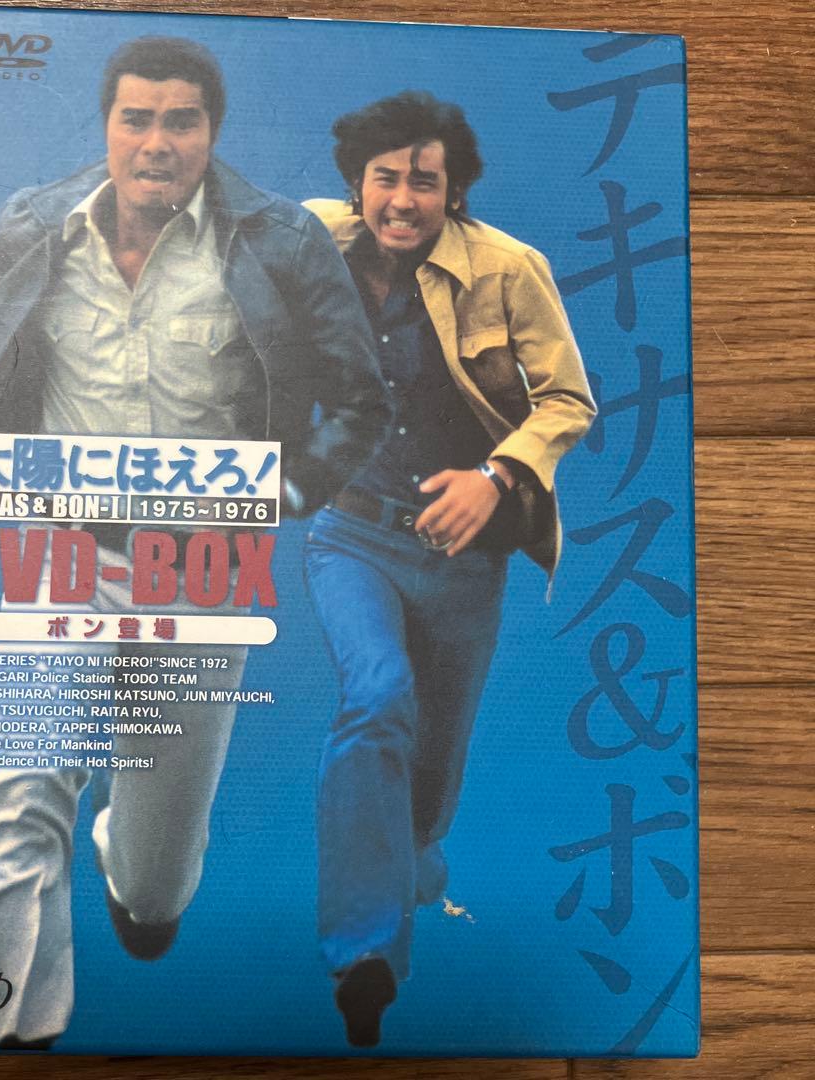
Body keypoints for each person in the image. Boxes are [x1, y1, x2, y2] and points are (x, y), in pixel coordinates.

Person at [0, 36, 389, 1049]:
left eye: (180, 121)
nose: (156, 142)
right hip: (58, 549)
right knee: (24, 784)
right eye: (136, 119)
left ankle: (132, 864)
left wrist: (286, 492)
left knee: (155, 885)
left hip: (202, 570)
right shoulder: (38, 225)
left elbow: (360, 401)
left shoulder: (281, 240)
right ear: (107, 126)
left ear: (210, 133)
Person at [303, 91, 596, 1048]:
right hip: (352, 534)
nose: (402, 198)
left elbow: (568, 399)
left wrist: (495, 475)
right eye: (384, 177)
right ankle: (364, 956)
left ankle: (416, 859)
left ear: (454, 191)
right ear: (357, 183)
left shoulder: (508, 269)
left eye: (424, 181)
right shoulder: (310, 241)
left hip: (467, 557)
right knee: (375, 695)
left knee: (430, 785)